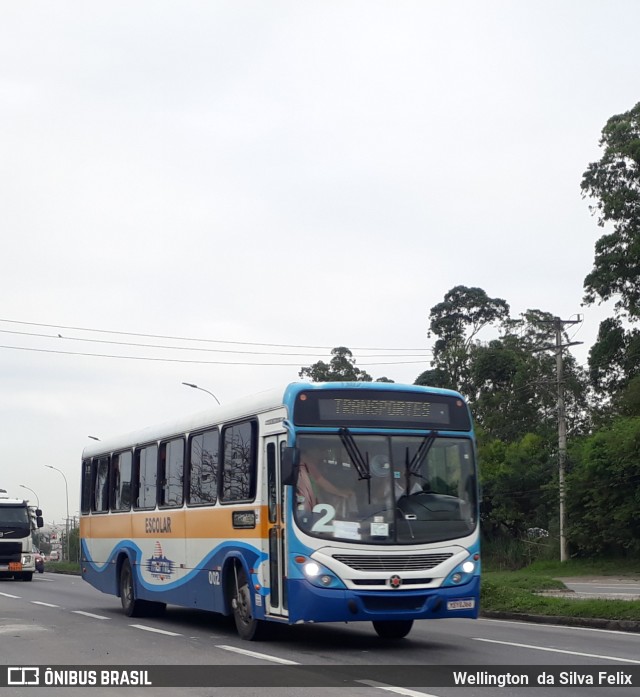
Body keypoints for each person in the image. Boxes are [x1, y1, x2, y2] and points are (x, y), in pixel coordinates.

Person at [296, 443, 354, 514]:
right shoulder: (306, 464)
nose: (322, 456)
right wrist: (340, 492)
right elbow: (323, 483)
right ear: (311, 451)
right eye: (320, 452)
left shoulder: (303, 463)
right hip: (304, 506)